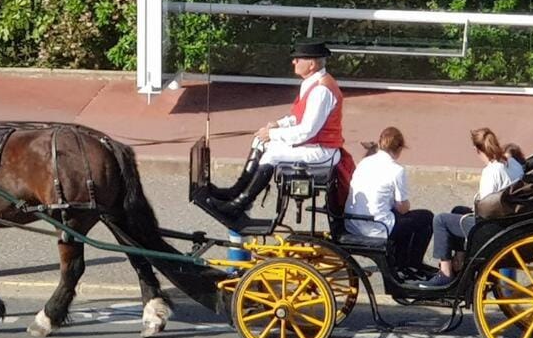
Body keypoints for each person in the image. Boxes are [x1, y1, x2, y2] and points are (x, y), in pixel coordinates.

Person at [207, 39, 344, 221]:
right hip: (314, 143)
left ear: (311, 64)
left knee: (271, 155)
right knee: (259, 141)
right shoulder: (312, 83)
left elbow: (306, 131)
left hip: (322, 149)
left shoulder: (321, 91)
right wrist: (278, 124)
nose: (293, 62)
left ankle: (240, 203)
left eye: (298, 59)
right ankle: (236, 191)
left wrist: (272, 134)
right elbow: (299, 117)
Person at [421, 127, 513, 288]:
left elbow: (486, 205)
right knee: (458, 211)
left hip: (489, 226)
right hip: (504, 219)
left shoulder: (491, 171)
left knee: (441, 220)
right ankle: (460, 260)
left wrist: (474, 209)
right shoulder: (508, 164)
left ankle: (446, 272)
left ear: (477, 149)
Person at [344, 127, 433, 274]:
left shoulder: (364, 163)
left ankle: (400, 261)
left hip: (353, 222)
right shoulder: (397, 170)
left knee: (401, 219)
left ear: (379, 143)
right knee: (426, 218)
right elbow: (403, 208)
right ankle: (412, 263)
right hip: (376, 227)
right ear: (399, 149)